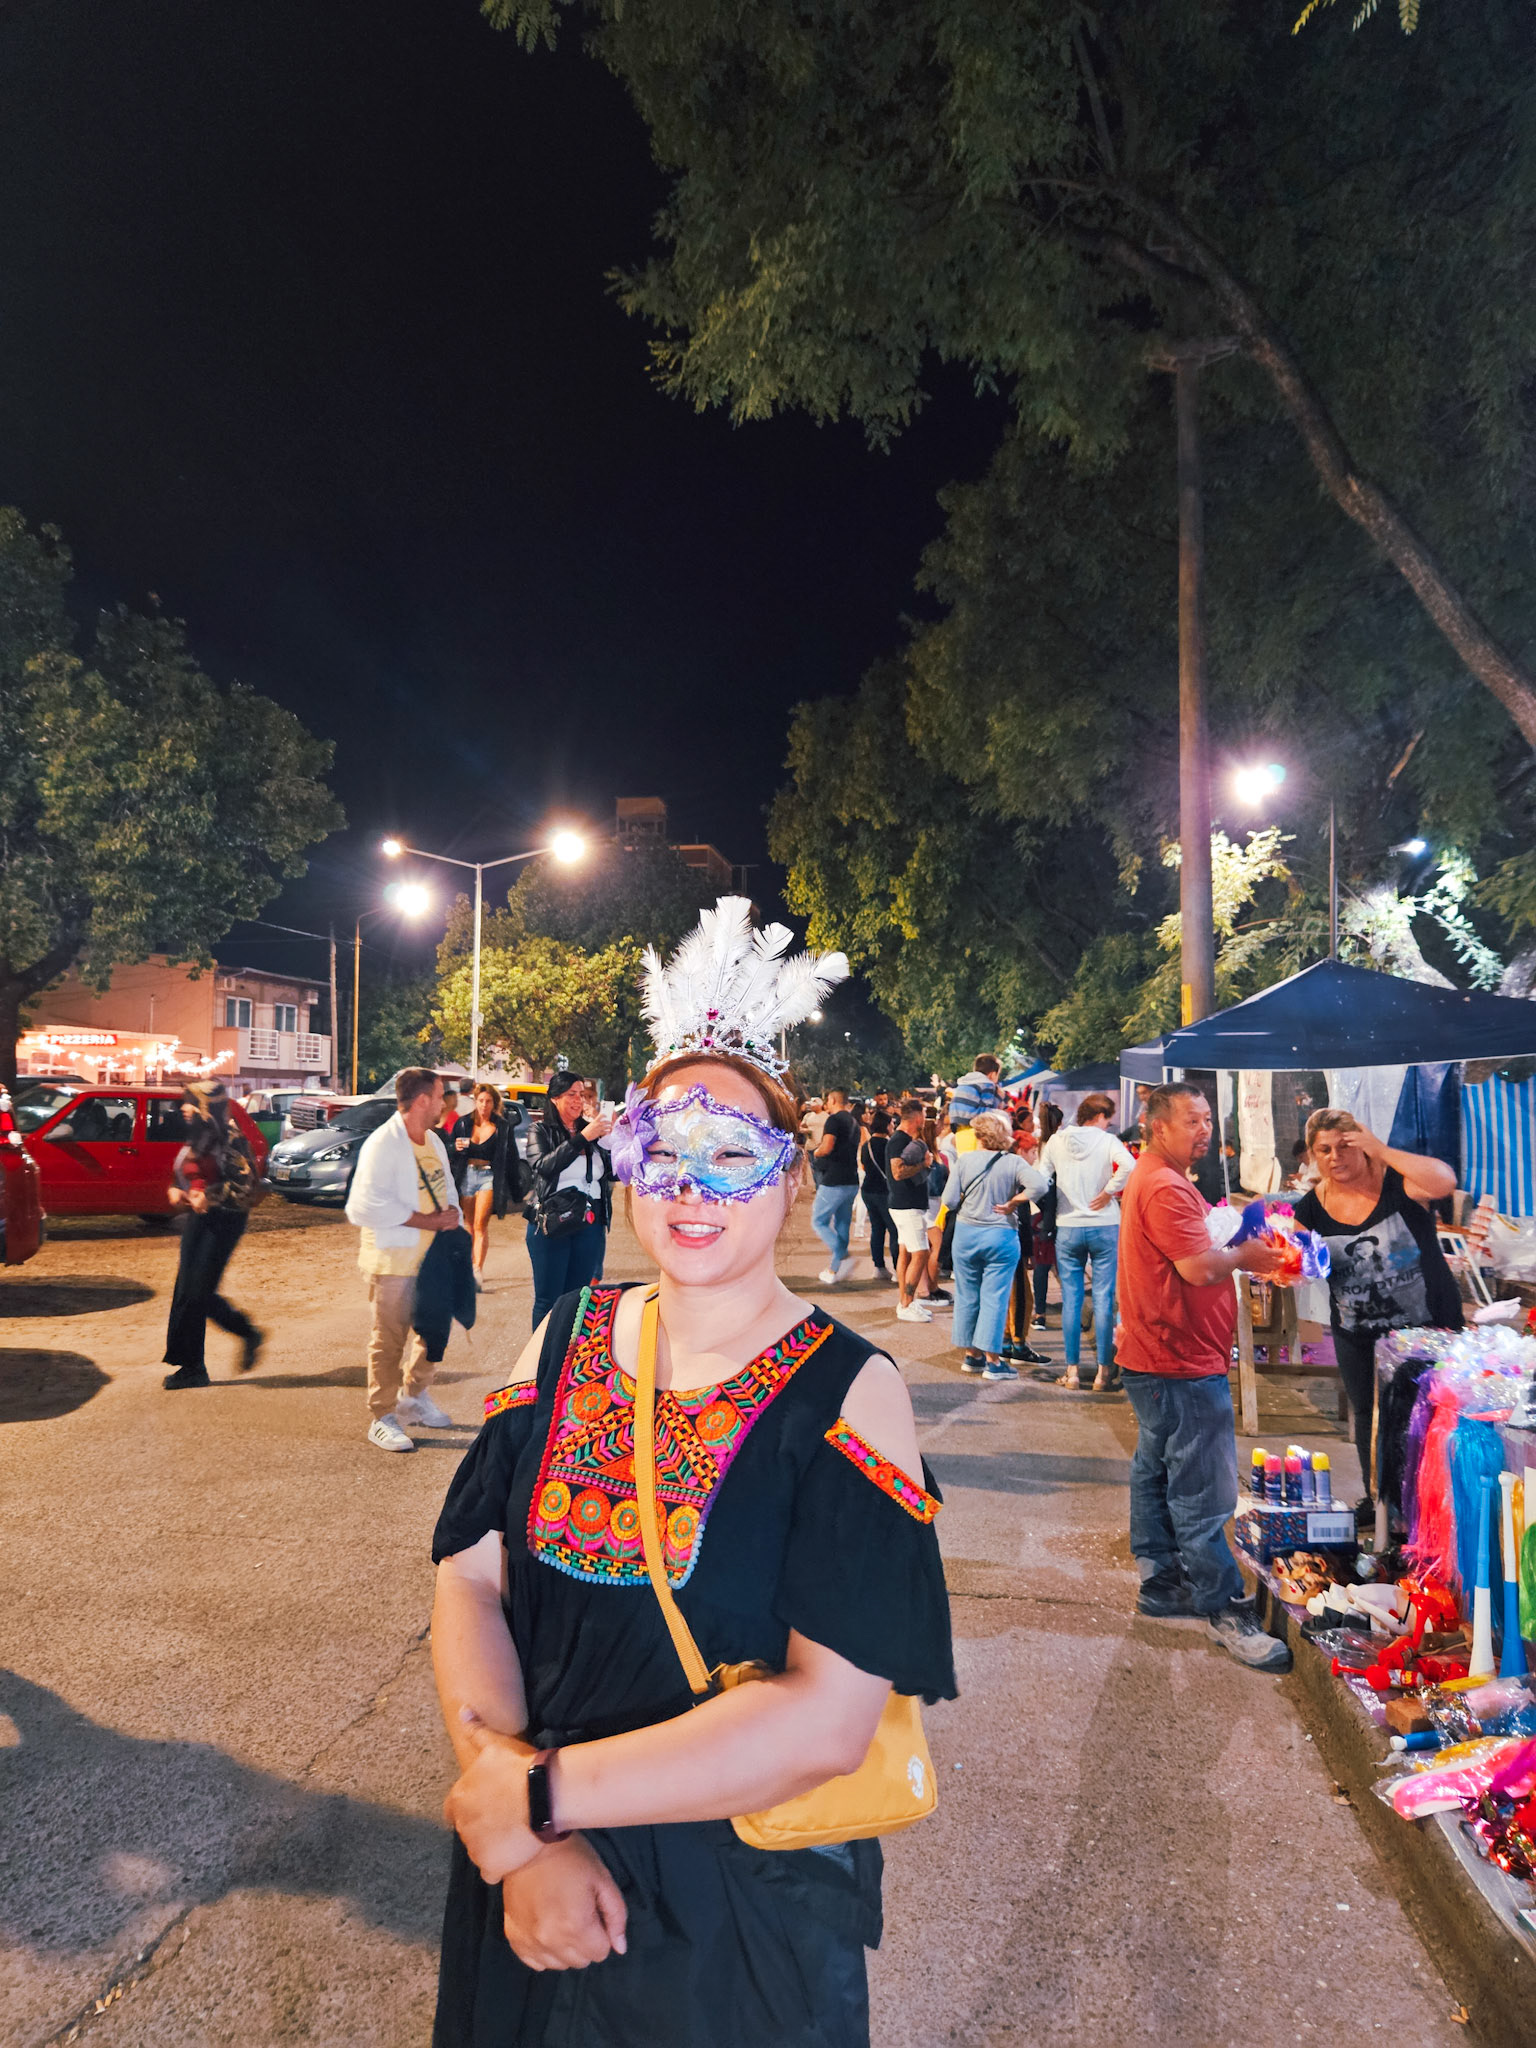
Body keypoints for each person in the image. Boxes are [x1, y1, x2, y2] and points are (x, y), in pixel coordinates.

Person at [429, 906, 954, 2048]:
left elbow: (828, 1719)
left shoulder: (851, 1390)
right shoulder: (563, 1334)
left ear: (790, 1174)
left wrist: (540, 1800)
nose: (691, 1188)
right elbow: (470, 1580)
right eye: (663, 1152)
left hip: (734, 1917)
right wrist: (518, 1830)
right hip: (528, 1878)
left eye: (732, 1155)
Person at [1116, 1082, 1292, 1669]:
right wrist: (1245, 1256)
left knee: (1156, 1470)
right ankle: (1224, 1608)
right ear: (1158, 1126)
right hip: (1178, 1359)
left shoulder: (1160, 1177)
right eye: (1192, 1120)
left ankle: (1162, 1582)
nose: (1205, 1130)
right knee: (1203, 1491)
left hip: (1160, 1355)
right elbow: (1196, 1269)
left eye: (1208, 1119)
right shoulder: (1165, 1184)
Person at [1290, 1110, 1461, 1509]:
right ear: (1313, 1155)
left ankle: (1433, 1508)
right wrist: (1287, 1266)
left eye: (1345, 1146)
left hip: (1429, 1327)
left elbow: (1445, 1180)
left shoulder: (1398, 1184)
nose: (1336, 1157)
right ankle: (1381, 1503)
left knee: (1432, 1413)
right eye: (1325, 1149)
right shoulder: (1309, 1210)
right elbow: (1307, 1268)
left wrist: (1381, 1150)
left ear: (1363, 1146)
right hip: (1357, 1333)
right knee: (1370, 1416)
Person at [344, 1067, 463, 1452]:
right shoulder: (382, 1143)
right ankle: (382, 1417)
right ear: (423, 1100)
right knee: (390, 1340)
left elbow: (447, 1188)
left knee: (435, 1334)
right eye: (440, 1095)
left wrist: (453, 1217)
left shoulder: (434, 1141)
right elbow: (361, 1207)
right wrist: (428, 1221)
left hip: (433, 1259)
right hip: (393, 1261)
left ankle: (413, 1396)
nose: (446, 1103)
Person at [161, 1081, 264, 1390]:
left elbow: (246, 1186)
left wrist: (211, 1195)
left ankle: (245, 1333)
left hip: (225, 1221)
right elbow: (188, 1171)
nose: (184, 1108)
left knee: (199, 1291)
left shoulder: (232, 1139)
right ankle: (191, 1366)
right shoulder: (199, 1136)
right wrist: (176, 1189)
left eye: (190, 1102)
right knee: (186, 1290)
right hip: (199, 1219)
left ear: (207, 1107)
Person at [940, 1110, 1048, 1381]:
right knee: (995, 1298)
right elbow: (1039, 1186)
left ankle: (971, 1355)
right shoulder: (1013, 1162)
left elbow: (949, 1200)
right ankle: (993, 1362)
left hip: (966, 1235)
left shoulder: (965, 1161)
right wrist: (1014, 1202)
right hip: (1000, 1235)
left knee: (967, 1294)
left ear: (979, 1136)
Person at [1042, 1092, 1137, 1394]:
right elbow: (1130, 1166)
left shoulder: (1056, 1141)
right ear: (1099, 1117)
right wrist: (1109, 1191)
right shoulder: (1107, 1141)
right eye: (1108, 1120)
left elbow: (1040, 1179)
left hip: (1068, 1225)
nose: (1109, 1126)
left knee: (1071, 1299)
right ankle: (1103, 1372)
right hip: (1105, 1225)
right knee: (1104, 1298)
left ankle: (1071, 1371)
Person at [526, 1074, 614, 1329]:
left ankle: (567, 1350)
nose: (578, 1100)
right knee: (548, 1299)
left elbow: (613, 1173)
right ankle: (542, 1351)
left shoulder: (593, 1131)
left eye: (581, 1095)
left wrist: (618, 1140)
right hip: (553, 1223)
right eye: (571, 1094)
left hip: (589, 1223)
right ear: (555, 1098)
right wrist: (582, 1138)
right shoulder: (540, 1130)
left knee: (577, 1299)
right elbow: (544, 1166)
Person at [452, 1082, 518, 1292]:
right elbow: (449, 1147)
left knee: (480, 1224)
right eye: (481, 1100)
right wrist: (454, 1147)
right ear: (475, 1101)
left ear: (494, 1103)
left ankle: (477, 1270)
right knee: (468, 1225)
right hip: (467, 1175)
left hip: (489, 1176)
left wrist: (515, 1187)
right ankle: (467, 1268)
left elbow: (511, 1156)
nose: (484, 1105)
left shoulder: (502, 1126)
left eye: (488, 1101)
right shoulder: (463, 1123)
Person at [887, 1097, 936, 1323]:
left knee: (906, 1252)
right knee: (921, 1252)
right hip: (907, 1205)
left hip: (904, 1204)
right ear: (917, 1118)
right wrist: (923, 1165)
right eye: (923, 1115)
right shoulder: (899, 1140)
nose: (925, 1120)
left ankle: (905, 1301)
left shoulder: (900, 1139)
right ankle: (906, 1304)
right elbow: (898, 1172)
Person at [810, 1087, 861, 1284]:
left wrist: (816, 1152)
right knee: (842, 1224)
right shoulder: (854, 1122)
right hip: (851, 1179)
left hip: (834, 1180)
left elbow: (827, 1146)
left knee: (819, 1221)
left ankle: (844, 1257)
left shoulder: (834, 1120)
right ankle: (835, 1269)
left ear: (832, 1100)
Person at [1031, 1103, 1064, 1328]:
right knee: (1065, 1266)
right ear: (1059, 1123)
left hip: (1039, 1213)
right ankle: (1071, 1310)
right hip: (1061, 1210)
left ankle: (1040, 1313)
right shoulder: (1061, 1145)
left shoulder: (1038, 1146)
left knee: (1041, 1266)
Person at [860, 1106, 898, 1282]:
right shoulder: (890, 1146)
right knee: (894, 1230)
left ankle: (879, 1267)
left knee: (877, 1229)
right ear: (886, 1125)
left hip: (868, 1190)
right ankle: (898, 1268)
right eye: (891, 1123)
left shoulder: (866, 1145)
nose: (893, 1126)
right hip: (884, 1191)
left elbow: (864, 1166)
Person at [947, 1054, 1006, 1134]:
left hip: (956, 1121)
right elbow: (987, 1112)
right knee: (1003, 1115)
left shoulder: (966, 1081)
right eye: (998, 1075)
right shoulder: (987, 1083)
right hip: (970, 1120)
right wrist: (999, 1097)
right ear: (992, 1074)